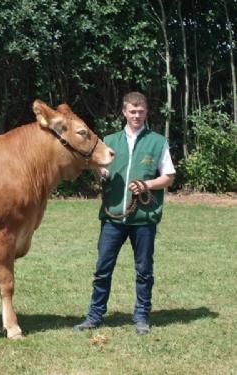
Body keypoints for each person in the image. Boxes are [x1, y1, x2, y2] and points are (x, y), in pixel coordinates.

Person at [73, 92, 175, 335]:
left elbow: (168, 177)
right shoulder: (110, 140)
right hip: (113, 218)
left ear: (146, 112)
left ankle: (141, 317)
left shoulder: (158, 142)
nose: (136, 115)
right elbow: (100, 170)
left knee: (144, 270)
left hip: (144, 218)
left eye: (140, 111)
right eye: (132, 111)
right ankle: (95, 316)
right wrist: (101, 174)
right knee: (102, 269)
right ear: (124, 112)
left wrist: (147, 185)